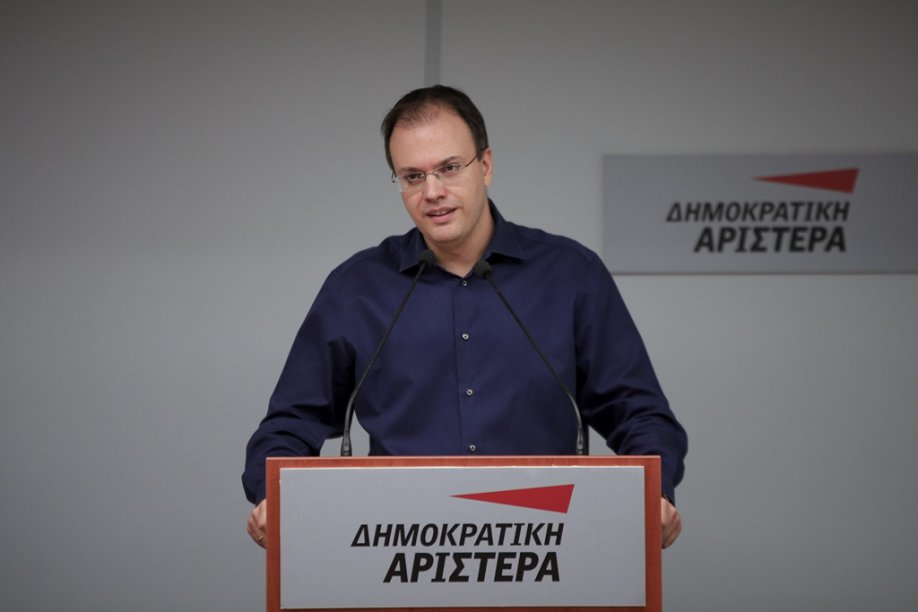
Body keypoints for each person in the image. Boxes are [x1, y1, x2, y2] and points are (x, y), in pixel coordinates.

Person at [243, 85, 687, 549]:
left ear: (486, 165)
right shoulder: (356, 289)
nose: (432, 192)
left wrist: (653, 491)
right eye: (413, 176)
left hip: (545, 546)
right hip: (397, 552)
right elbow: (290, 423)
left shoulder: (572, 275)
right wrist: (271, 495)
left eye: (449, 168)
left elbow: (639, 412)